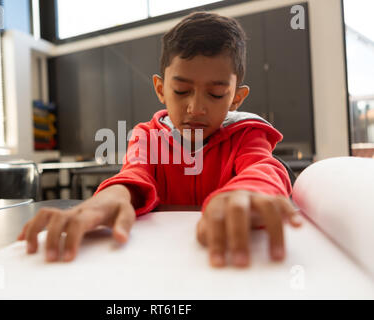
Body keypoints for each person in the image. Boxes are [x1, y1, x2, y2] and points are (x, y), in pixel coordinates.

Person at [17, 11, 302, 268]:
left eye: (216, 94)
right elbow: (134, 175)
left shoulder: (247, 134)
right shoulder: (147, 136)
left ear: (236, 99)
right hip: (161, 265)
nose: (196, 108)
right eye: (181, 90)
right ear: (161, 89)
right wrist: (110, 197)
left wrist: (248, 192)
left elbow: (264, 168)